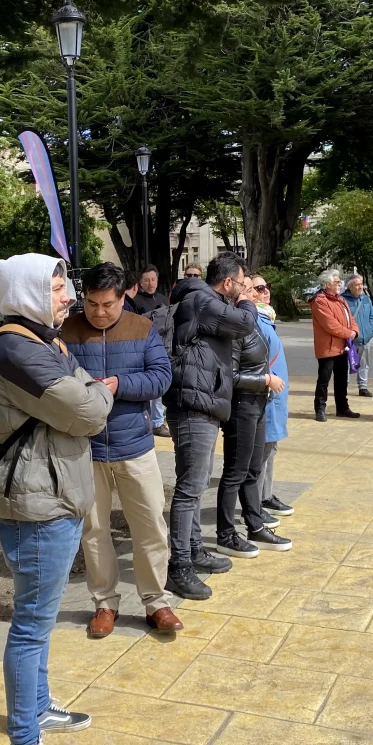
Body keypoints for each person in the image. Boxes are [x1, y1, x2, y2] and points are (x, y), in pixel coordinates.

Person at [0, 254, 113, 745]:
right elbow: (86, 410)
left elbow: (80, 392)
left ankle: (38, 707)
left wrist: (89, 390)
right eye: (58, 286)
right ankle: (22, 744)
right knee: (32, 628)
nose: (68, 295)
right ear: (29, 292)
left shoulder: (42, 342)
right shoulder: (16, 349)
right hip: (38, 506)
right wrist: (101, 391)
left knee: (39, 622)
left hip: (53, 497)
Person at [63, 263, 181, 637]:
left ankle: (156, 601)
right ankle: (104, 602)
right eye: (92, 304)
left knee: (150, 527)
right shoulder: (66, 332)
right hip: (85, 449)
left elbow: (162, 378)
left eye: (107, 304)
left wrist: (119, 384)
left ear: (122, 297)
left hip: (135, 446)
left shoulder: (142, 328)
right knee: (94, 531)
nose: (99, 312)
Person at [164, 252, 260, 600]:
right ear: (229, 282)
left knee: (197, 481)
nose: (245, 288)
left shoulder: (202, 299)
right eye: (242, 282)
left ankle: (193, 551)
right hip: (193, 405)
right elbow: (246, 323)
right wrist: (248, 301)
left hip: (200, 402)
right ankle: (180, 568)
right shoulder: (203, 299)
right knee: (190, 488)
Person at [216, 276, 291, 559]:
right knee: (235, 472)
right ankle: (225, 535)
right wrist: (265, 380)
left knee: (252, 470)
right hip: (242, 406)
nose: (257, 293)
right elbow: (231, 376)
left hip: (258, 405)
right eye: (249, 288)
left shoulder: (253, 325)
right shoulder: (236, 328)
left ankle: (255, 524)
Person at [248, 274, 294, 518]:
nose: (264, 292)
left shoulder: (266, 318)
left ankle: (265, 495)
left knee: (270, 450)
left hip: (274, 397)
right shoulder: (254, 320)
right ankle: (257, 504)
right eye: (259, 288)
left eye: (267, 287)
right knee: (260, 455)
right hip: (265, 395)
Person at [310, 269, 361, 422]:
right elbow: (330, 325)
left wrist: (354, 331)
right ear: (328, 284)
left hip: (342, 347)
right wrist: (349, 333)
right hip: (328, 348)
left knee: (341, 379)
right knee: (324, 380)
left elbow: (350, 319)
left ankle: (342, 408)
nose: (340, 285)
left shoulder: (340, 299)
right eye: (337, 282)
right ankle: (320, 409)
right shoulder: (319, 301)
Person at [131, 266, 170, 436]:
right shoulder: (136, 301)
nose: (151, 283)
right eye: (147, 280)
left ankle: (158, 420)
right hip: (143, 347)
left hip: (163, 346)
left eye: (153, 279)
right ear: (140, 282)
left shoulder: (162, 298)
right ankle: (154, 421)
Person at [342, 275, 373, 397]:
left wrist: (371, 330)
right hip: (349, 339)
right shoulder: (342, 300)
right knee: (345, 364)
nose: (360, 286)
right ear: (350, 287)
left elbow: (372, 316)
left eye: (361, 284)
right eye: (357, 284)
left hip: (365, 338)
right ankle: (343, 387)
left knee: (364, 364)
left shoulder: (366, 299)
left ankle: (363, 387)